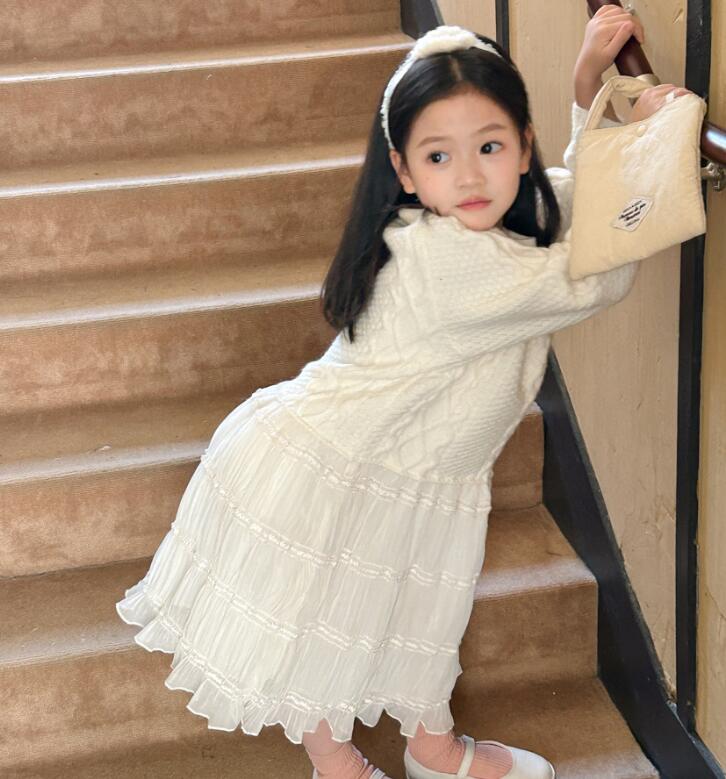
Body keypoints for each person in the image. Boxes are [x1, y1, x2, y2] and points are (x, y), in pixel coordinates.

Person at [116, 8, 691, 779]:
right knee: (330, 622)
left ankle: (431, 748)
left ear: (522, 145)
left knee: (420, 607)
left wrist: (590, 86)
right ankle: (343, 765)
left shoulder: (490, 220)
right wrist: (653, 144)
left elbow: (570, 204)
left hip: (405, 467)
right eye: (439, 155)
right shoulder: (445, 259)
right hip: (332, 466)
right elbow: (596, 272)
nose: (470, 176)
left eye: (490, 146)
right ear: (406, 171)